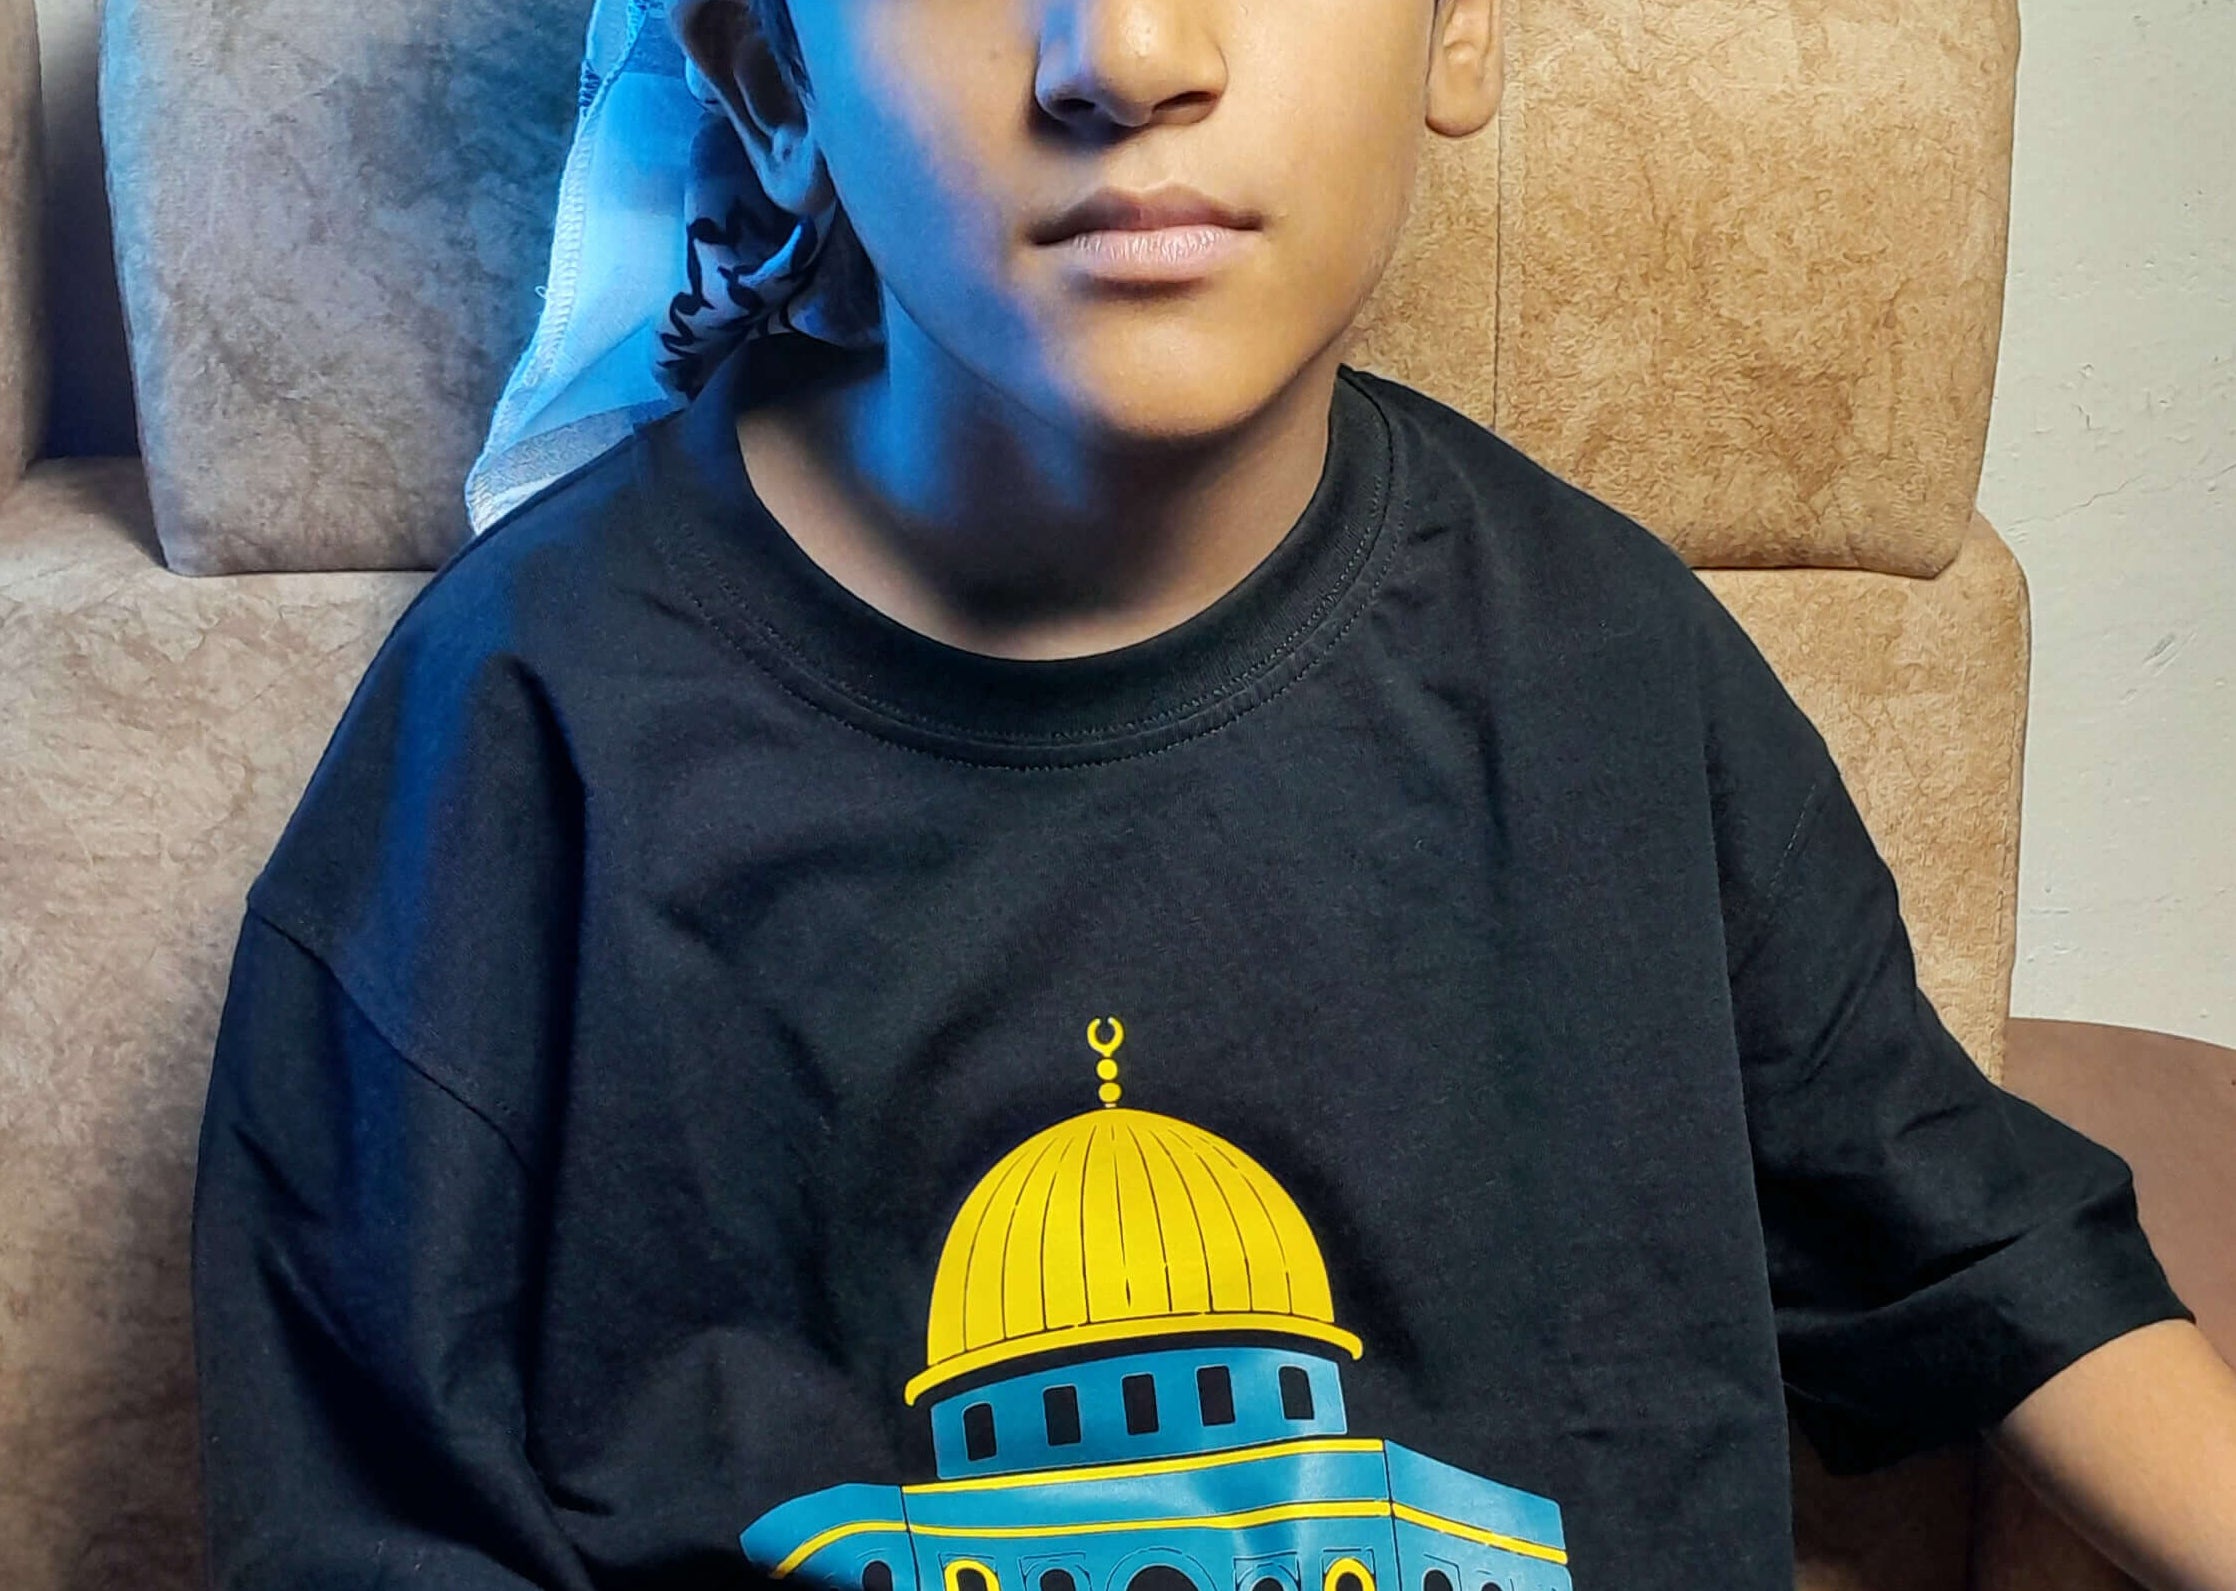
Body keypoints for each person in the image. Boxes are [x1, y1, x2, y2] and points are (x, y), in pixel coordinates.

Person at [188, 1, 2236, 1588]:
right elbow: (361, 1512)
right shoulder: (519, 725)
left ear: (1456, 29)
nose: (1129, 52)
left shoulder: (1608, 665)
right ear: (772, 75)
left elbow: (1967, 1243)